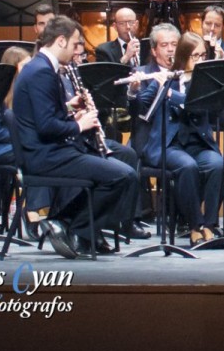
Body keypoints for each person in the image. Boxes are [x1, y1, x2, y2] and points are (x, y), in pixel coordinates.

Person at [13, 16, 137, 258]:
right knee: (124, 176)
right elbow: (47, 126)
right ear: (60, 41)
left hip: (50, 151)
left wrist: (70, 108)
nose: (76, 51)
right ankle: (75, 227)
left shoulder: (40, 67)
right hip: (45, 156)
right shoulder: (41, 72)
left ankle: (64, 222)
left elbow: (46, 115)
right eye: (74, 44)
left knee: (119, 168)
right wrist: (80, 125)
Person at [131, 28, 224, 245]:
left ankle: (209, 225)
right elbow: (141, 107)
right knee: (187, 166)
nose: (200, 60)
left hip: (197, 144)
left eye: (203, 55)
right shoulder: (167, 78)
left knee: (217, 164)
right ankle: (195, 226)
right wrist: (133, 90)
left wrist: (171, 94)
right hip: (168, 146)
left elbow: (198, 106)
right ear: (183, 56)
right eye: (195, 56)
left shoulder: (204, 82)